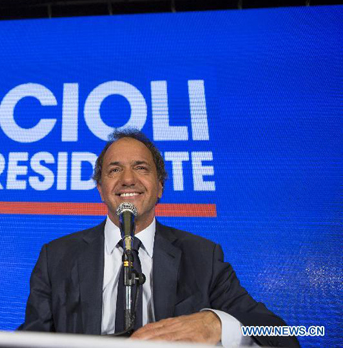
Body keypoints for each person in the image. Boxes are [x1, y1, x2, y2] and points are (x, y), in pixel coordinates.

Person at [20, 129, 298, 347]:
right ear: (101, 189)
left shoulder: (203, 256)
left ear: (160, 186)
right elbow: (29, 342)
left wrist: (217, 324)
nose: (128, 179)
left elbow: (281, 333)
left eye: (141, 168)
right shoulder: (56, 256)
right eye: (114, 170)